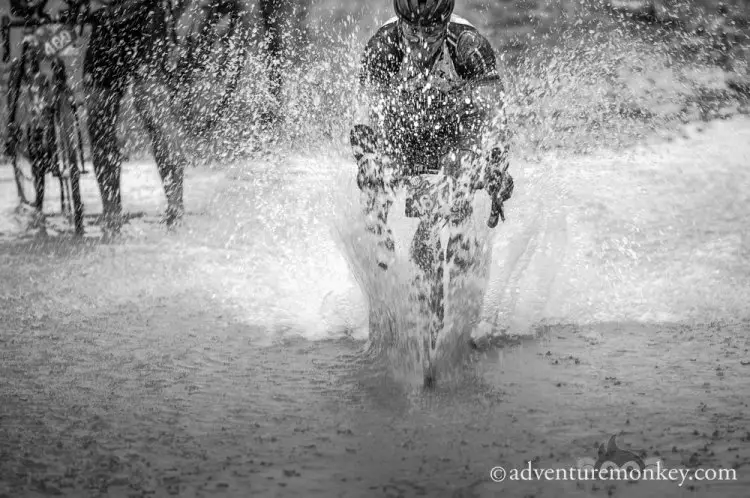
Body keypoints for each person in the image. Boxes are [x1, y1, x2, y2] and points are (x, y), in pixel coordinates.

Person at [351, 0, 514, 372]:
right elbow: (363, 118)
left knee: (449, 198)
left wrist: (496, 168)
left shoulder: (469, 47)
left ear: (445, 22)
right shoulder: (383, 47)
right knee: (375, 187)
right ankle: (396, 301)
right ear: (401, 22)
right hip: (405, 129)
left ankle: (457, 316)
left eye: (432, 32)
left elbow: (495, 122)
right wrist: (368, 162)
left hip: (458, 131)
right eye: (413, 31)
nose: (422, 41)